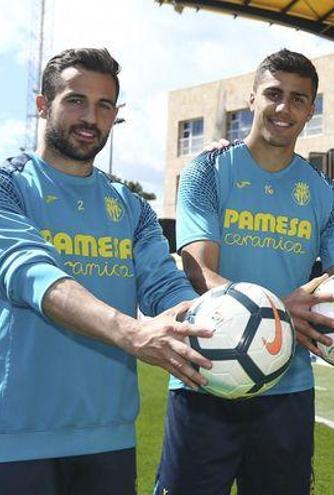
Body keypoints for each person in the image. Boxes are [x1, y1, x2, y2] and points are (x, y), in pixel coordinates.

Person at [0, 48, 212, 495]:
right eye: (75, 100)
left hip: (110, 436)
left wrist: (242, 315)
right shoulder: (9, 187)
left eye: (104, 105)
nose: (90, 117)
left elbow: (166, 287)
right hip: (16, 438)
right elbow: (32, 274)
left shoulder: (131, 206)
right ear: (44, 105)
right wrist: (132, 333)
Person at [154, 49, 334, 495]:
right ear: (252, 98)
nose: (284, 108)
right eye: (274, 94)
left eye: (299, 99)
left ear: (311, 109)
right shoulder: (207, 169)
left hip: (287, 388)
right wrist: (279, 310)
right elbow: (200, 269)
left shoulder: (328, 194)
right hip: (204, 376)